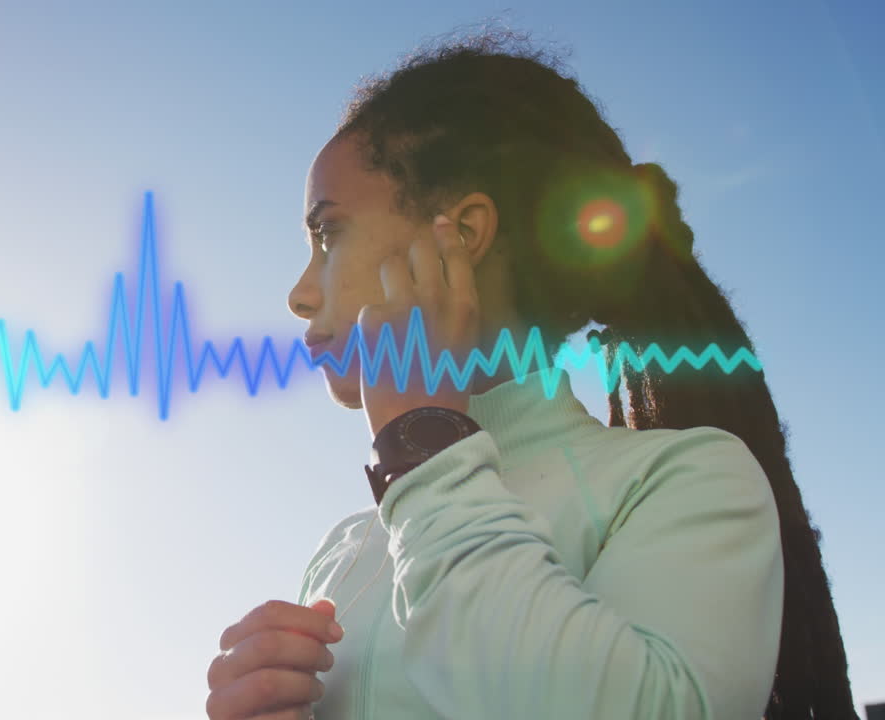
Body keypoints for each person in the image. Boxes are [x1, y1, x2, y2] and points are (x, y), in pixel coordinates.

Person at [203, 25, 859, 720]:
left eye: (328, 233)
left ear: (458, 235)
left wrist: (423, 445)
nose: (300, 294)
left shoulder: (682, 477)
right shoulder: (341, 549)